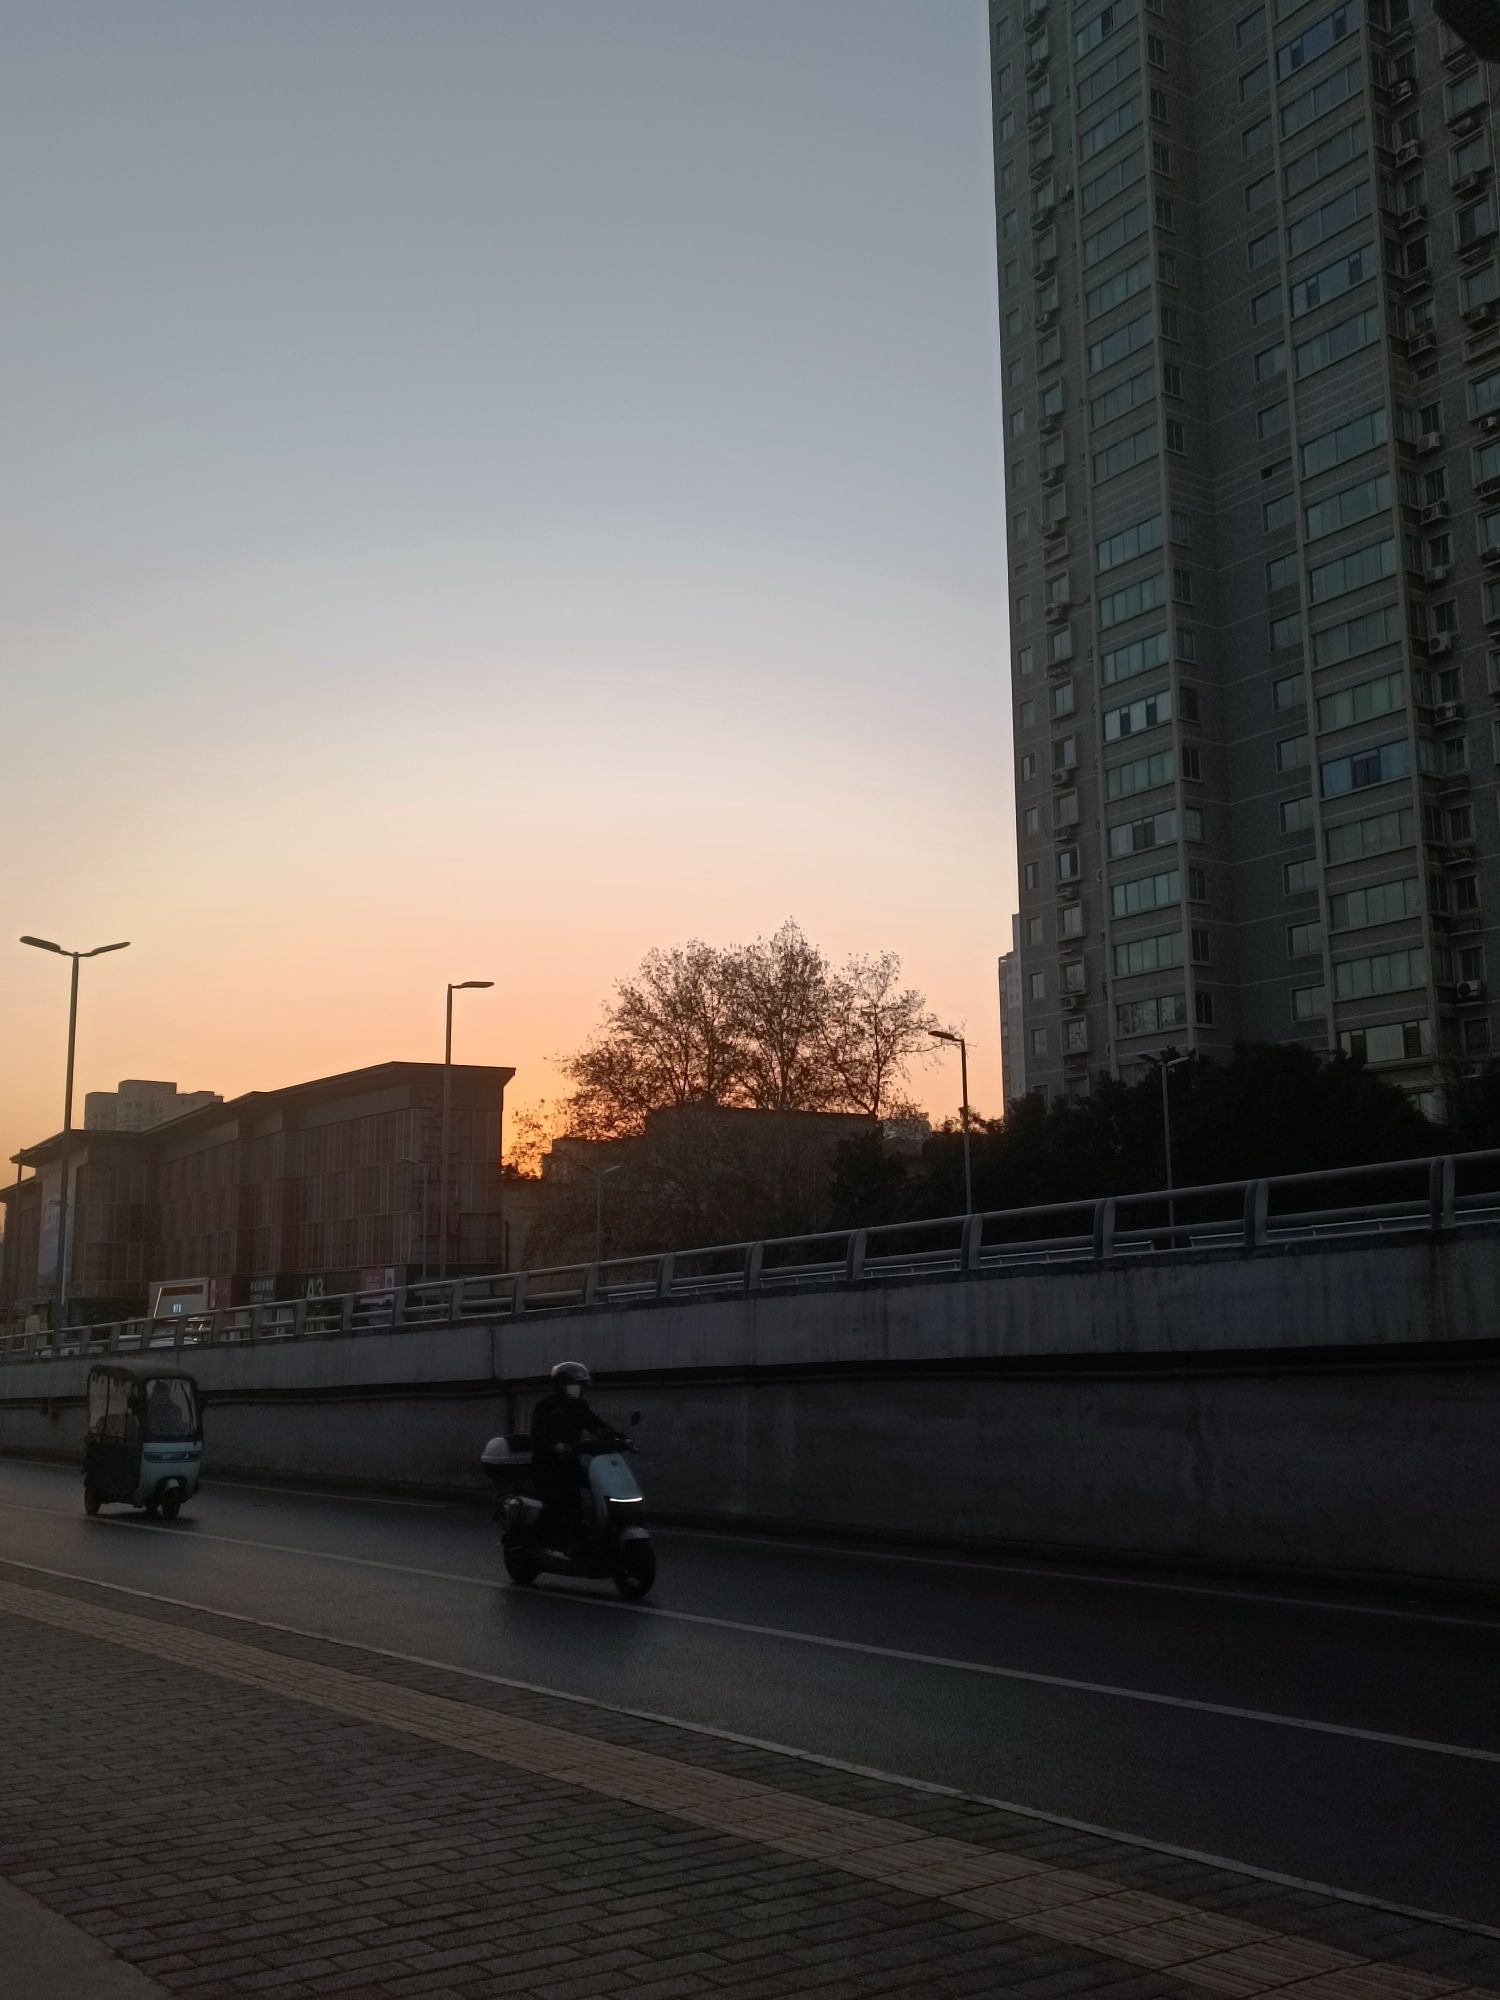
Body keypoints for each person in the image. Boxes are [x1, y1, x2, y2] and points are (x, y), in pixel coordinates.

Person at [529, 1361, 614, 1549]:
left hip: (570, 1463)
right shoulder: (546, 1406)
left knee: (591, 1490)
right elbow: (538, 1434)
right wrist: (555, 1446)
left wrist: (620, 1438)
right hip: (547, 1466)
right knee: (558, 1501)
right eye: (574, 1384)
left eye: (582, 1385)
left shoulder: (580, 1406)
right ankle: (548, 1543)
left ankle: (586, 1536)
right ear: (560, 1385)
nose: (579, 1389)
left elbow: (596, 1424)